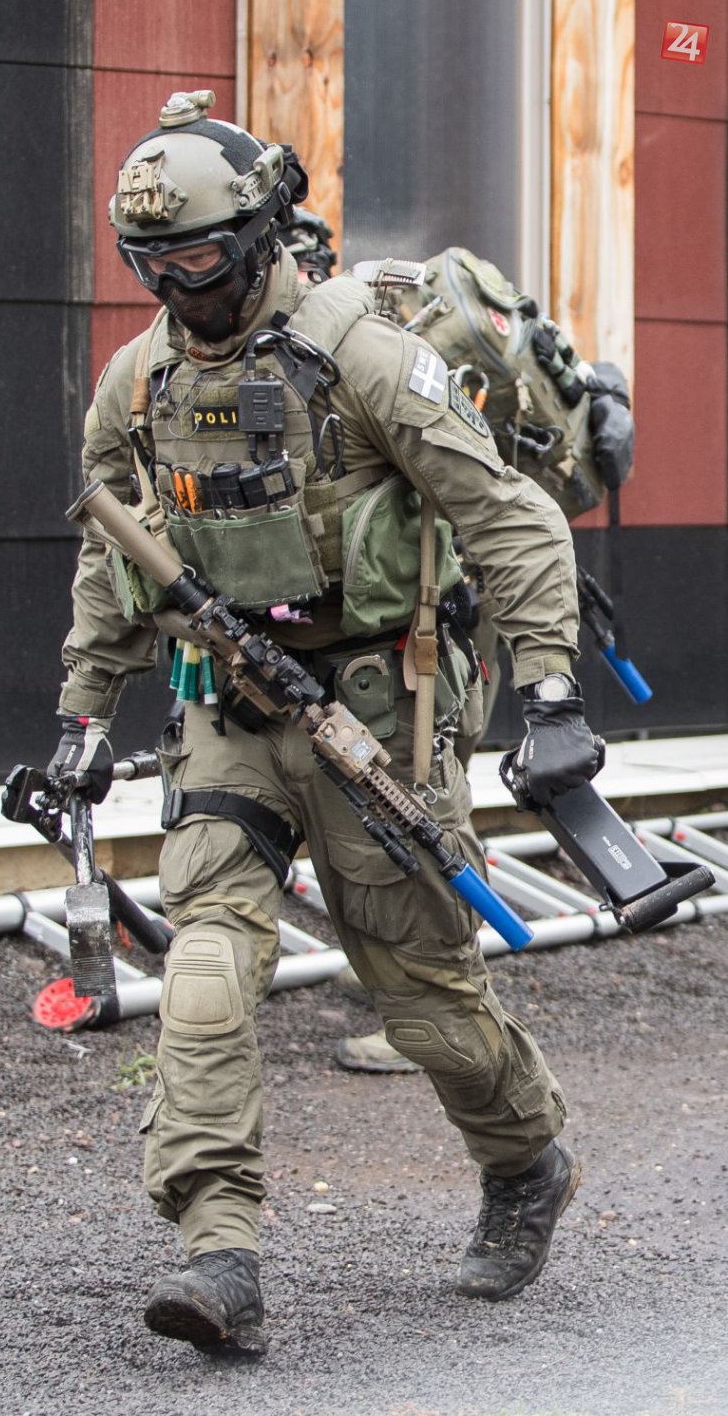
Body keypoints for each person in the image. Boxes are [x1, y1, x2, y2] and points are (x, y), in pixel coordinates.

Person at [50, 89, 601, 1355]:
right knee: (201, 973)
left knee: (422, 998)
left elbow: (511, 517)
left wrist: (549, 694)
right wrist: (81, 715)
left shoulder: (365, 356)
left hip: (377, 708)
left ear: (256, 237)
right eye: (148, 264)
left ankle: (523, 1159)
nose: (174, 288)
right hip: (226, 708)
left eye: (197, 259)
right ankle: (220, 1257)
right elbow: (109, 555)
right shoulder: (136, 385)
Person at [279, 214, 635, 1076]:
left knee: (427, 801)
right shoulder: (385, 317)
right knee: (411, 795)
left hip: (444, 610)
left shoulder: (364, 339)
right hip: (441, 601)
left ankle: (440, 1007)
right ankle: (407, 982)